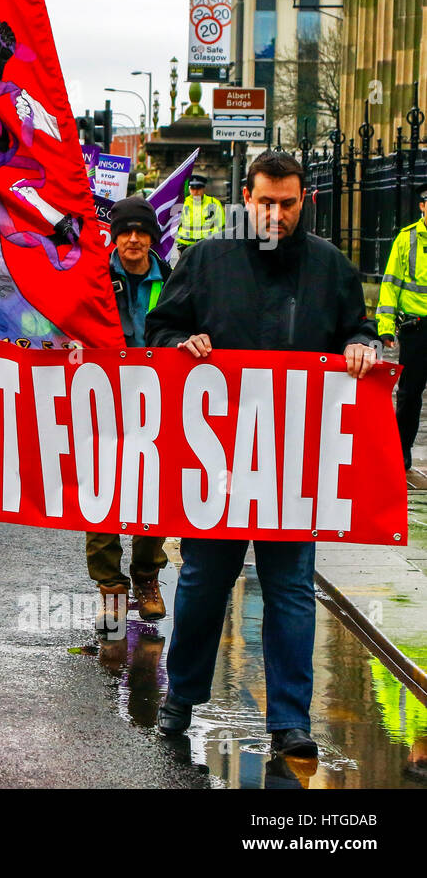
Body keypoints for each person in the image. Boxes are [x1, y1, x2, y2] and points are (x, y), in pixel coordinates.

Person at [146, 151, 380, 758]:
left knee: (291, 591)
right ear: (245, 198)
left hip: (295, 464)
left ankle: (289, 722)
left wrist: (360, 345)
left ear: (305, 202)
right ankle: (182, 698)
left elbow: (359, 328)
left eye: (288, 203)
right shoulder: (208, 260)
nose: (275, 214)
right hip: (220, 460)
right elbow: (159, 329)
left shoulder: (331, 268)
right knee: (201, 582)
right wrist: (181, 340)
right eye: (265, 202)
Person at [86, 196, 171, 631]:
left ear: (152, 237)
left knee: (150, 492)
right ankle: (110, 590)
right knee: (104, 491)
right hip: (104, 397)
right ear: (114, 236)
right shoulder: (94, 277)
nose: (133, 240)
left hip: (157, 399)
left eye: (141, 232)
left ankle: (147, 579)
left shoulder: (173, 279)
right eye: (125, 232)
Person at [375, 182, 427, 470]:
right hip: (417, 328)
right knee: (409, 394)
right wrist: (385, 326)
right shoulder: (406, 240)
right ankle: (401, 449)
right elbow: (390, 285)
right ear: (422, 206)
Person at [174, 173, 225, 257]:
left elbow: (220, 226)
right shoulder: (182, 203)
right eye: (193, 188)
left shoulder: (213, 203)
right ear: (189, 189)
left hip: (207, 245)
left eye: (198, 188)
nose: (195, 191)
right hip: (185, 245)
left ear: (203, 189)